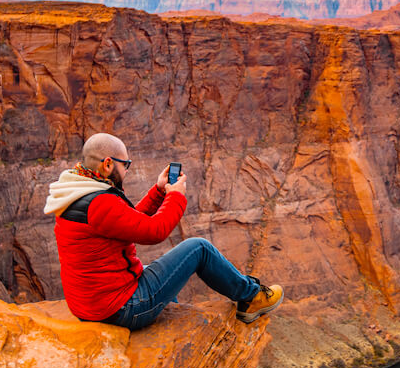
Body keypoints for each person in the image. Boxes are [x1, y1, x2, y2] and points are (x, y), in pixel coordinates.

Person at [43, 132, 282, 329]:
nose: (127, 171)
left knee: (159, 271)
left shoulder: (77, 191)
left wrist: (158, 192)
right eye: (125, 165)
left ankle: (170, 316)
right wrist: (175, 196)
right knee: (198, 248)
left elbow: (126, 222)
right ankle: (252, 298)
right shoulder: (100, 202)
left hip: (91, 303)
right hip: (118, 309)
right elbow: (154, 232)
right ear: (108, 164)